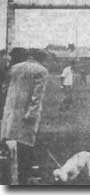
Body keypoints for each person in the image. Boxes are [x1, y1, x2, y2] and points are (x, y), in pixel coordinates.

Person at [1, 48, 48, 184]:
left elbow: (5, 88)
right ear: (41, 58)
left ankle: (9, 173)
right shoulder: (41, 71)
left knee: (9, 142)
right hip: (26, 115)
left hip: (11, 112)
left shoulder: (14, 68)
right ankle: (22, 176)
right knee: (25, 146)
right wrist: (32, 114)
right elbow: (37, 96)